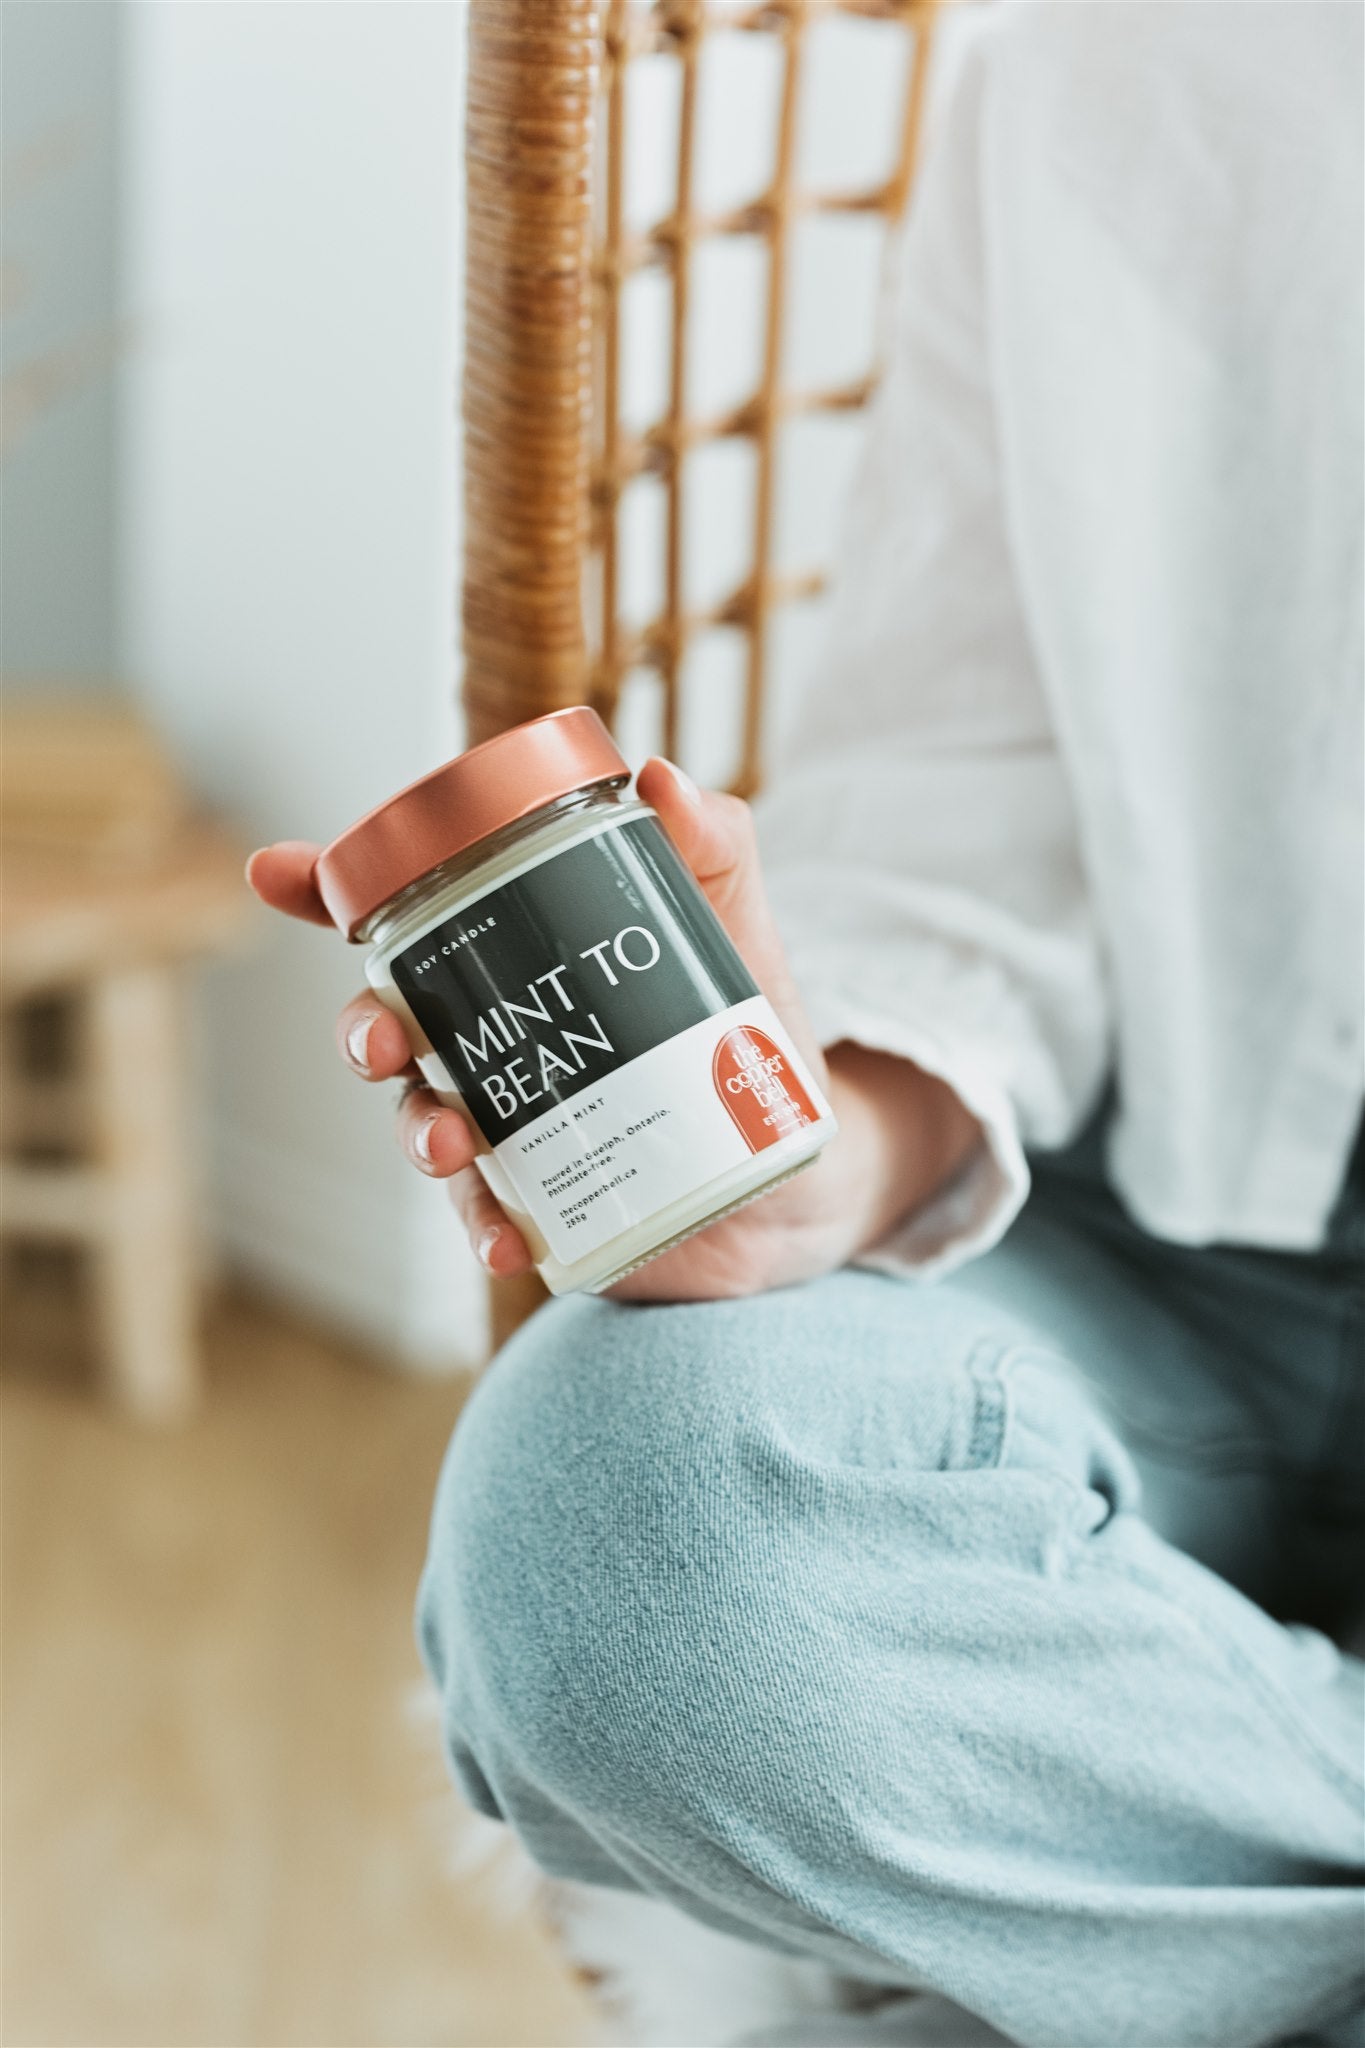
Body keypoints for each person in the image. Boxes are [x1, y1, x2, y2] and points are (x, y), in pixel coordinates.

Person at [249, 5, 1364, 2042]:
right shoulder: (1117, 80)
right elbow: (964, 847)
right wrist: (804, 1161)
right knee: (615, 1532)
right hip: (1156, 1245)